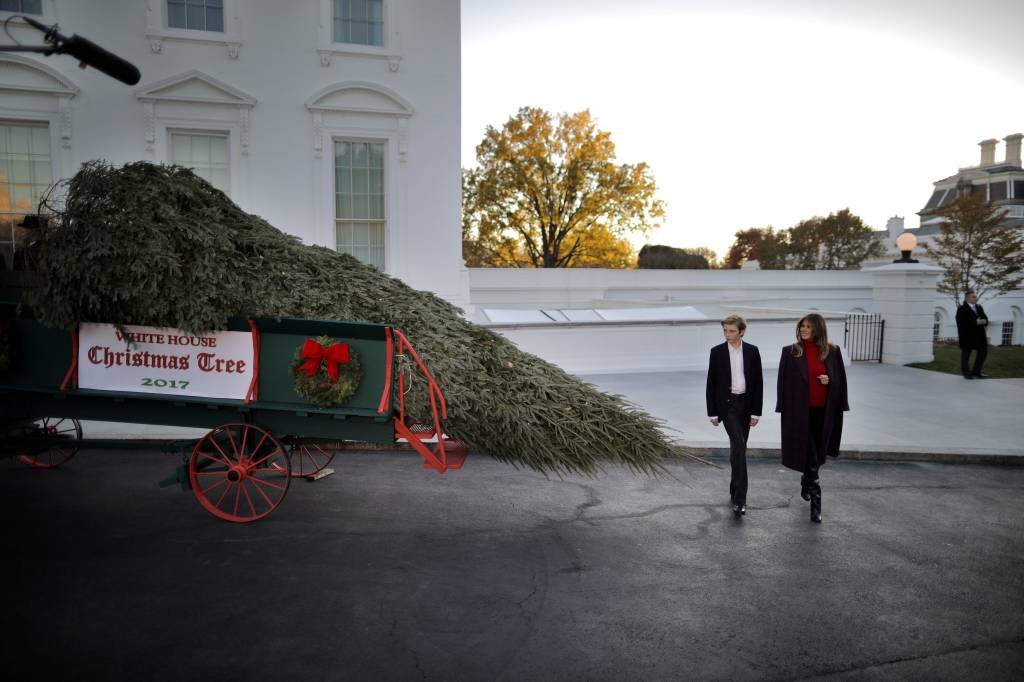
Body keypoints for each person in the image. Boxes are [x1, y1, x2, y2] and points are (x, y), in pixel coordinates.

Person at [776, 314, 849, 523]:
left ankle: (806, 480)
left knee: (816, 453)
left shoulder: (832, 352)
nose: (804, 330)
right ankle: (816, 503)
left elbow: (841, 382)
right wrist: (782, 408)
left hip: (823, 413)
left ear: (818, 329)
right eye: (802, 326)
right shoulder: (790, 352)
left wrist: (830, 381)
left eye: (808, 326)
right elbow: (783, 383)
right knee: (812, 455)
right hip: (799, 413)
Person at [706, 314, 763, 517]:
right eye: (725, 331)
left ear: (742, 332)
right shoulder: (717, 352)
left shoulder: (752, 351)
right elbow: (711, 383)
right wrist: (712, 412)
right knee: (739, 447)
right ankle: (740, 499)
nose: (727, 335)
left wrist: (756, 411)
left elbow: (758, 383)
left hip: (746, 406)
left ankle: (734, 486)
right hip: (727, 406)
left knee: (737, 450)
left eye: (731, 331)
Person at [955, 290, 989, 379]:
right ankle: (966, 373)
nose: (975, 298)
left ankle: (976, 372)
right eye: (973, 297)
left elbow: (985, 319)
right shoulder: (961, 309)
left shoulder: (979, 307)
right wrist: (975, 322)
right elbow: (961, 322)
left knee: (983, 352)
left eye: (975, 296)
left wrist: (984, 321)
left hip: (980, 336)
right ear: (967, 298)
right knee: (966, 354)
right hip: (967, 336)